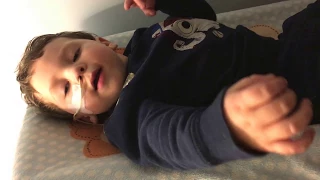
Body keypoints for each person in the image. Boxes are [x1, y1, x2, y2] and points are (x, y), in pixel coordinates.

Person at [16, 0, 320, 170]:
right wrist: (228, 127)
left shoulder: (146, 38)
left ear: (103, 42)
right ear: (85, 117)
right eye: (66, 88)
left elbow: (202, 18)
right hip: (286, 80)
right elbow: (177, 137)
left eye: (75, 54)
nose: (76, 72)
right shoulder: (129, 116)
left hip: (285, 40)